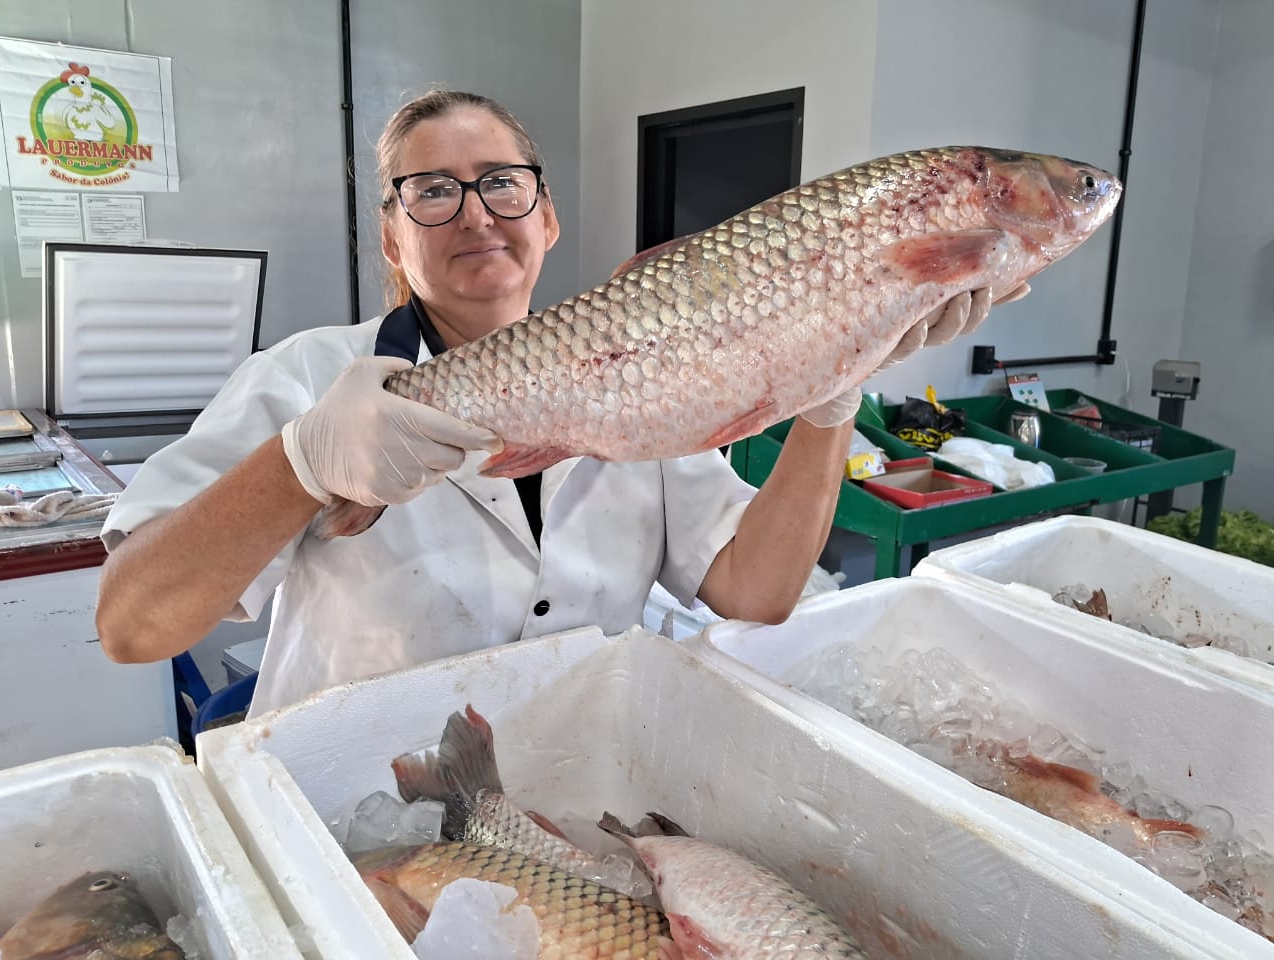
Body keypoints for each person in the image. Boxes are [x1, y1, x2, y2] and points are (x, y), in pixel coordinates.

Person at [95, 89, 1005, 715]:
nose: (476, 214)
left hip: (576, 791)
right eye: (432, 192)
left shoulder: (659, 367)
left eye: (501, 182)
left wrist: (831, 393)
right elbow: (133, 626)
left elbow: (755, 592)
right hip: (354, 815)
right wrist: (300, 463)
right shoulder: (303, 376)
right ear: (393, 238)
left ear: (547, 216)